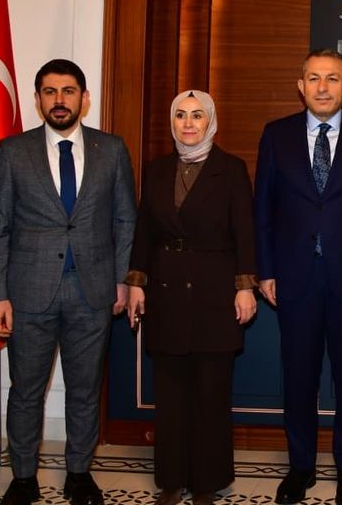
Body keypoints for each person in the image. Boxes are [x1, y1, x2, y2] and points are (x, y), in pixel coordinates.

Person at [0, 58, 137, 505]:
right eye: (50, 92)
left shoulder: (112, 149)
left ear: (84, 98)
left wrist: (121, 280)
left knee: (85, 391)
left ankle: (78, 474)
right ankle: (23, 478)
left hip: (92, 292)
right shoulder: (14, 150)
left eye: (68, 91)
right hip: (28, 291)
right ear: (37, 99)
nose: (59, 100)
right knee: (26, 391)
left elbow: (125, 219)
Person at [253, 49, 342, 505]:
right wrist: (265, 270)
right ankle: (300, 467)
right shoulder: (276, 135)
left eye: (332, 78)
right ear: (301, 86)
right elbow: (262, 212)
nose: (322, 87)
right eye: (314, 78)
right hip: (294, 277)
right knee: (298, 377)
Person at [125, 90, 257, 505]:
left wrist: (245, 287)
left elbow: (245, 232)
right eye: (180, 115)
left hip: (215, 293)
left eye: (197, 115)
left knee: (210, 394)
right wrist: (136, 282)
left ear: (211, 122)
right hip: (165, 293)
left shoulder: (231, 169)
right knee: (170, 394)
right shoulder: (157, 170)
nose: (188, 123)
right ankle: (171, 479)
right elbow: (144, 231)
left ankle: (206, 482)